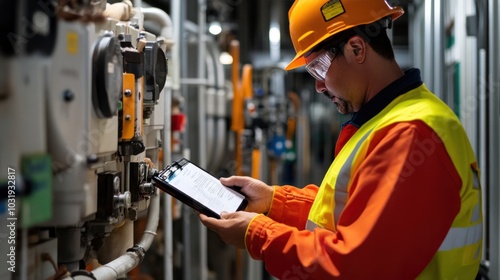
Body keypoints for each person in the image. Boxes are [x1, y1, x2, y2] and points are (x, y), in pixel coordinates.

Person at [199, 0, 483, 278]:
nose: (319, 85)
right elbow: (353, 213)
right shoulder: (390, 120)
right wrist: (274, 202)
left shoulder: (410, 134)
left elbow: (356, 267)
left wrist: (259, 234)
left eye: (319, 68)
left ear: (357, 48)